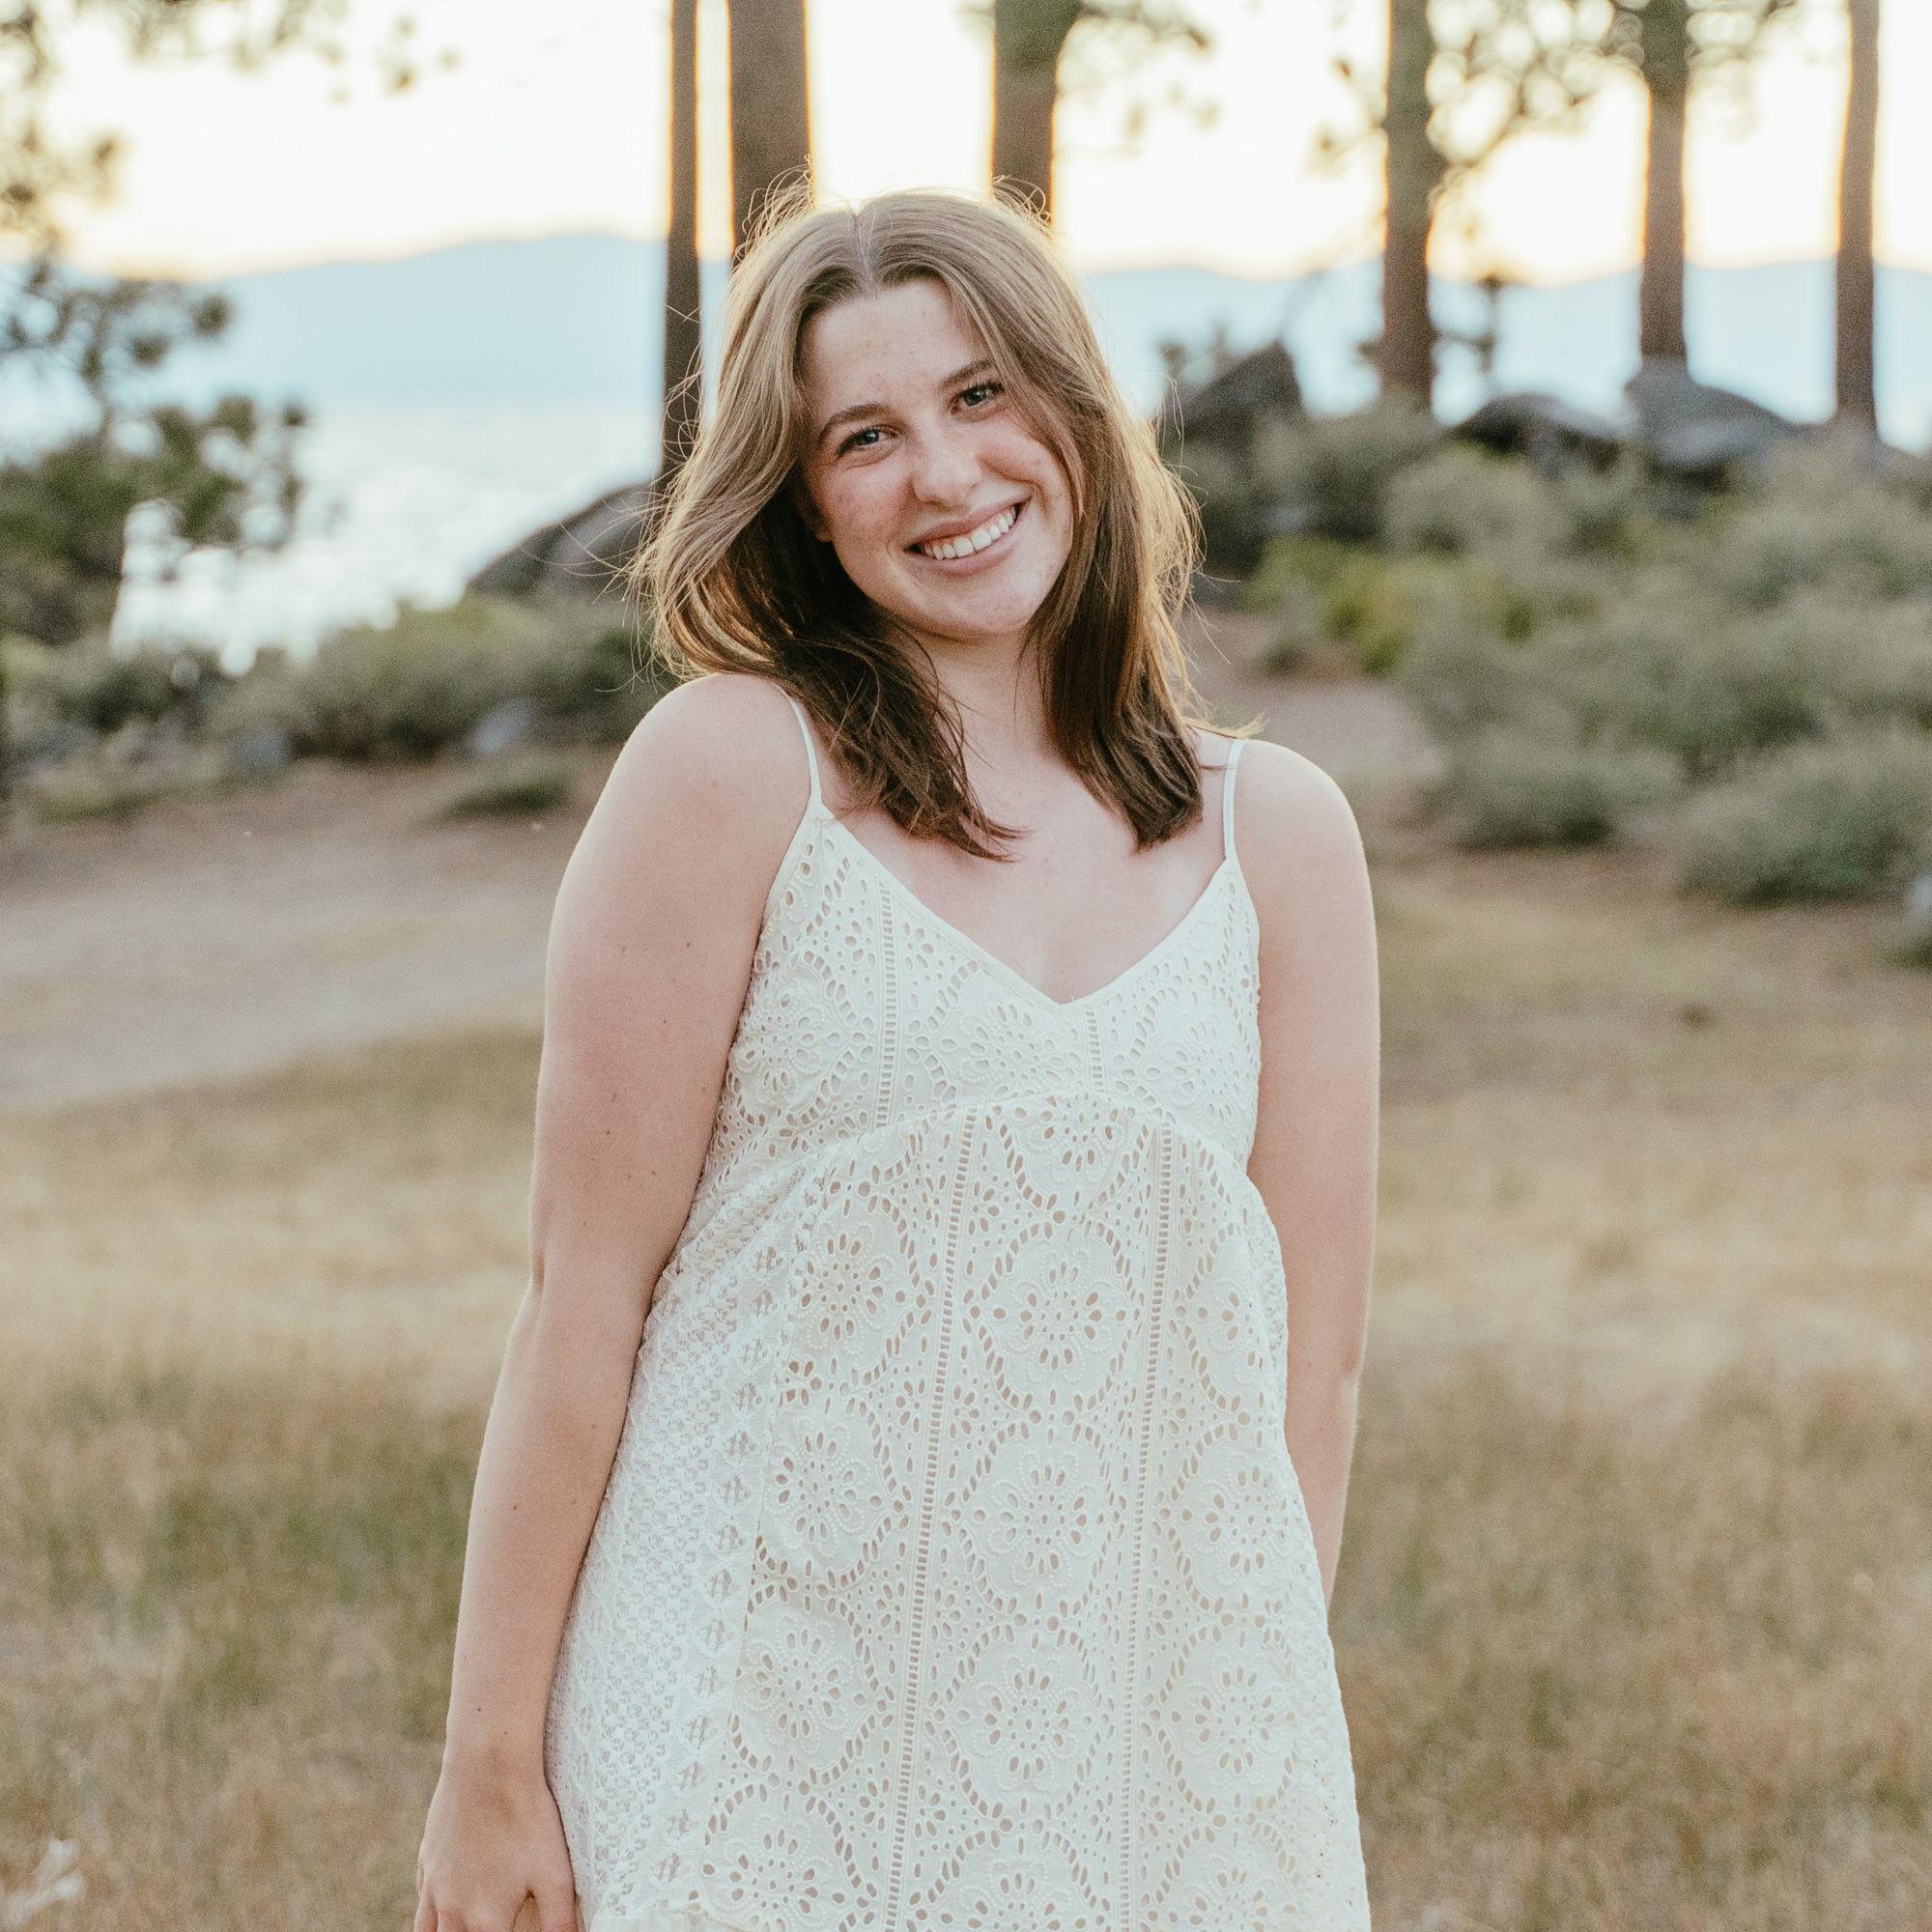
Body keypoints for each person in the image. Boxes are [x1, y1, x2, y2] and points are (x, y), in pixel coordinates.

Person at [414, 182, 1379, 1932]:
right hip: (745, 1742)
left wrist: (1232, 1742)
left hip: (1138, 1769)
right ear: (801, 497)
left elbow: (1308, 1380)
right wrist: (488, 1769)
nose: (944, 475)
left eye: (981, 394)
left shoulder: (1284, 840)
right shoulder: (728, 775)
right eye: (865, 436)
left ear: (1075, 416)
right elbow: (579, 1305)